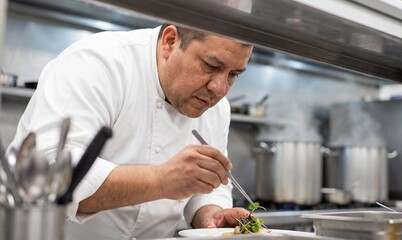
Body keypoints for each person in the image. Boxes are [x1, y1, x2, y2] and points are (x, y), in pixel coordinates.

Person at [9, 23, 253, 239]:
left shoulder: (217, 108)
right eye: (211, 65)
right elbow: (48, 176)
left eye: (233, 74)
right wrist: (161, 180)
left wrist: (212, 216)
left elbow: (210, 186)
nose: (219, 89)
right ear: (170, 41)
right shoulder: (97, 64)